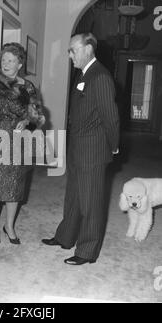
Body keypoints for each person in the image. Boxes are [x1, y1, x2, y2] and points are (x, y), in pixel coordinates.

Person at [42, 33, 119, 265]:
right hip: (77, 148)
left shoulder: (101, 76)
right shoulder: (82, 74)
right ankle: (66, 237)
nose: (69, 54)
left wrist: (113, 146)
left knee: (91, 203)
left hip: (93, 151)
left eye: (73, 50)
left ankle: (87, 251)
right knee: (73, 198)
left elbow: (111, 118)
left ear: (88, 49)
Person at [0, 42, 45, 246]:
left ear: (19, 64)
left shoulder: (28, 86)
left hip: (18, 141)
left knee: (15, 186)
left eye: (11, 60)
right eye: (4, 59)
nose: (6, 63)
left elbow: (38, 116)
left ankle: (10, 225)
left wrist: (27, 121)